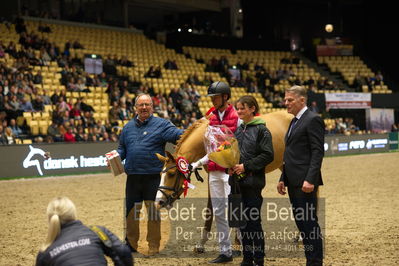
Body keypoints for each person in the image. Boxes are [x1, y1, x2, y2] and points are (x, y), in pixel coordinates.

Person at [116, 93, 183, 255]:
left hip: (153, 177)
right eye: (141, 105)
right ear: (135, 108)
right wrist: (115, 158)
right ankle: (131, 245)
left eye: (147, 104)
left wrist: (193, 132)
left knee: (153, 213)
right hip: (132, 177)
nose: (144, 107)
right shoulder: (127, 128)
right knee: (131, 213)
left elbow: (177, 135)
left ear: (152, 107)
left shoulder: (161, 125)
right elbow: (122, 149)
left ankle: (153, 245)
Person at [190, 81, 239, 263]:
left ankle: (242, 244)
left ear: (225, 97)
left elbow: (238, 145)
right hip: (214, 171)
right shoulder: (211, 118)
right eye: (211, 97)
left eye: (215, 97)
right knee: (218, 212)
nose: (212, 100)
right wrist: (197, 163)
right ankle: (225, 251)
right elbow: (212, 150)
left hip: (230, 171)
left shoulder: (236, 116)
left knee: (233, 211)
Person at [277, 85, 324, 266]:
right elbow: (291, 153)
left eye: (290, 100)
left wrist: (310, 179)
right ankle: (310, 260)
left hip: (305, 182)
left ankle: (316, 262)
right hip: (293, 181)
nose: (286, 103)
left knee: (310, 225)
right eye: (285, 99)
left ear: (302, 100)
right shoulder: (294, 121)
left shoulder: (313, 119)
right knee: (302, 225)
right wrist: (283, 178)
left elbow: (317, 152)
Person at [231, 95, 274, 266]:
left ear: (252, 109)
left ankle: (259, 259)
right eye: (238, 108)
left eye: (242, 108)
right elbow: (233, 154)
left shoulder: (262, 130)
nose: (239, 111)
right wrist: (230, 165)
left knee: (254, 223)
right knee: (242, 224)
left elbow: (267, 155)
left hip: (252, 183)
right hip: (236, 183)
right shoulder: (238, 130)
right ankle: (247, 259)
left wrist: (246, 166)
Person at [35, 197, 133, 266]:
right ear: (73, 214)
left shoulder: (45, 253)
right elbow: (124, 253)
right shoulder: (97, 231)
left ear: (50, 219)